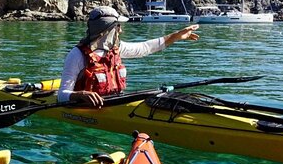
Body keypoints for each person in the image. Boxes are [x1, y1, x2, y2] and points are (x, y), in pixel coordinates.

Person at [58, 6, 199, 107]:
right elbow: (61, 96)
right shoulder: (77, 55)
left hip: (116, 103)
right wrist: (80, 95)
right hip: (87, 109)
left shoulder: (117, 49)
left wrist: (176, 36)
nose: (121, 30)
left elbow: (146, 48)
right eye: (118, 26)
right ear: (108, 30)